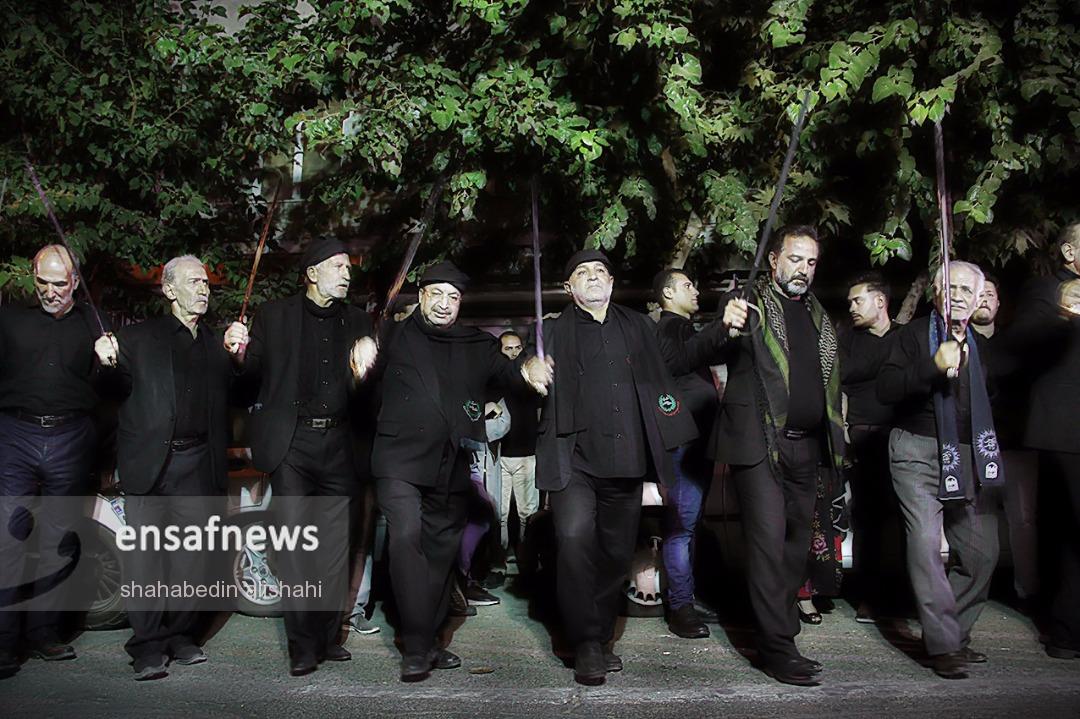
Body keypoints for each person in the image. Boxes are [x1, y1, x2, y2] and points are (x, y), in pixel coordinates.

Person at [362, 261, 551, 682]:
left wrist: (529, 368)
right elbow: (361, 377)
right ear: (421, 296)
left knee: (440, 556)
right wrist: (359, 350)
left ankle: (429, 637)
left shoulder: (475, 344)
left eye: (454, 297)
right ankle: (415, 646)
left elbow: (510, 375)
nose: (445, 304)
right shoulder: (390, 335)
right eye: (437, 294)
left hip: (450, 464)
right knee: (406, 539)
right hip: (398, 460)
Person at [684, 226, 845, 686]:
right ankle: (776, 648)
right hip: (757, 443)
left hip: (807, 443)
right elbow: (697, 351)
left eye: (811, 262)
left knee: (796, 545)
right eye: (795, 259)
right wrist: (724, 325)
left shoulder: (817, 315)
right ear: (773, 260)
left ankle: (781, 629)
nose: (803, 269)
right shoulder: (746, 304)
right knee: (767, 545)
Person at [535, 249, 697, 686]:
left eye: (600, 271)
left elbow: (681, 358)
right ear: (568, 287)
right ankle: (585, 642)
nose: (592, 276)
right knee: (573, 540)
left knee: (615, 554)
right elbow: (522, 366)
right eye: (581, 272)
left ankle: (602, 634)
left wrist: (723, 329)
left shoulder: (639, 326)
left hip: (626, 461)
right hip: (573, 460)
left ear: (611, 283)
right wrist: (528, 368)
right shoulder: (550, 331)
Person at [225, 237, 377, 677]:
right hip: (292, 444)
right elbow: (248, 378)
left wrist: (370, 368)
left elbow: (369, 391)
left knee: (335, 547)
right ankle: (302, 645)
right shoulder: (275, 316)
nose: (347, 273)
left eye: (348, 267)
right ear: (311, 273)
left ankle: (327, 637)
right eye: (338, 266)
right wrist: (237, 353)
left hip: (341, 443)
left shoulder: (358, 320)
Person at [94, 255, 234, 681]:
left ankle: (180, 635)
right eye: (194, 282)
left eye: (206, 282)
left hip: (199, 464)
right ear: (170, 290)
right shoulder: (138, 338)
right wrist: (104, 361)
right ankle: (147, 646)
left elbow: (242, 393)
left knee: (193, 559)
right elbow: (108, 391)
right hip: (151, 463)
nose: (204, 289)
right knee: (147, 561)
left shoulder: (215, 344)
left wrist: (242, 357)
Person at [877, 260, 1002, 679]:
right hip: (916, 449)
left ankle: (954, 634)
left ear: (979, 297)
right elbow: (885, 389)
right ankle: (945, 645)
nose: (958, 296)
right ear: (935, 293)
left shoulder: (983, 345)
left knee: (983, 552)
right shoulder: (912, 335)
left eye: (967, 290)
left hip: (968, 454)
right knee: (926, 545)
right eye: (950, 288)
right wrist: (932, 365)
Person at [0, 245, 106, 678]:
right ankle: (4, 642)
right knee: (9, 538)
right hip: (16, 435)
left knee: (58, 540)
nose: (50, 291)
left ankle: (44, 633)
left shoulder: (95, 325)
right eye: (42, 282)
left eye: (59, 283)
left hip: (70, 436)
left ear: (75, 281)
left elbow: (115, 387)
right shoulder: (10, 320)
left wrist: (110, 361)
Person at [1008, 223, 1080, 659]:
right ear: (1069, 251)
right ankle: (1066, 630)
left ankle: (1067, 627)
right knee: (1067, 530)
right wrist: (1065, 314)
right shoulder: (1045, 290)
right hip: (1066, 430)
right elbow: (1023, 340)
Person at [652, 267, 721, 639]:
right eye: (688, 285)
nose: (696, 290)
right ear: (667, 293)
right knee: (680, 528)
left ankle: (686, 598)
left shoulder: (682, 329)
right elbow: (676, 367)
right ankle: (680, 608)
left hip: (698, 443)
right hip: (683, 444)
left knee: (689, 527)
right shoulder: (668, 331)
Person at [969, 273, 1039, 606]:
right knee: (974, 521)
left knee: (1023, 520)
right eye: (978, 294)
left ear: (999, 302)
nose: (983, 299)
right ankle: (974, 591)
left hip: (1014, 446)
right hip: (973, 448)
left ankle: (1028, 592)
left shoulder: (1015, 344)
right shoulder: (959, 344)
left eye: (990, 294)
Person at [838, 271, 901, 623]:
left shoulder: (905, 336)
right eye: (849, 301)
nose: (852, 307)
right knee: (867, 518)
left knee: (905, 518)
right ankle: (870, 596)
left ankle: (903, 593)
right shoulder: (849, 339)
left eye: (857, 300)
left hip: (901, 436)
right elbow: (843, 377)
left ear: (880, 301)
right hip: (863, 436)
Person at [496, 331, 541, 555]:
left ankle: (526, 558)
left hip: (527, 454)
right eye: (508, 348)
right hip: (500, 456)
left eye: (517, 348)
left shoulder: (530, 378)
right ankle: (501, 558)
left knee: (527, 513)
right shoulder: (495, 378)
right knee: (500, 513)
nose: (514, 352)